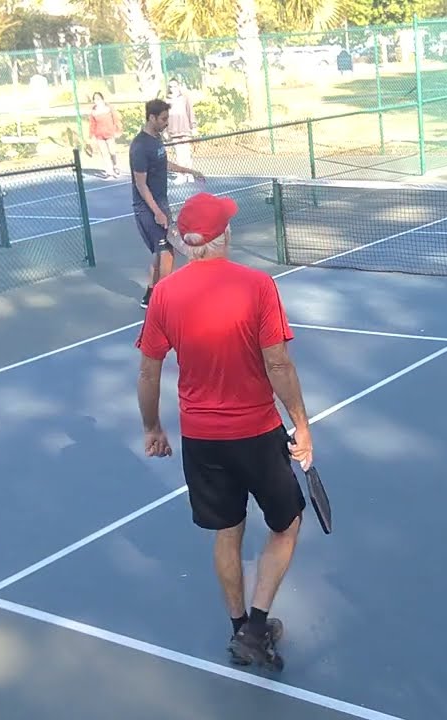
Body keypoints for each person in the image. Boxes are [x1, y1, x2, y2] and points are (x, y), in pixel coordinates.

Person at [134, 191, 314, 671]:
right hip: (256, 432)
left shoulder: (165, 294)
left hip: (201, 440)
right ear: (222, 236)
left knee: (226, 532)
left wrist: (152, 427)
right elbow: (277, 362)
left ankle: (240, 631)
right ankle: (256, 627)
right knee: (287, 524)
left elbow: (149, 372)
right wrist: (301, 426)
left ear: (190, 244)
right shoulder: (257, 285)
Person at [130, 98, 205, 308]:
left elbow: (163, 163)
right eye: (163, 119)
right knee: (166, 251)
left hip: (160, 203)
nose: (166, 123)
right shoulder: (140, 147)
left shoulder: (156, 139)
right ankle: (163, 299)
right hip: (147, 208)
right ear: (151, 117)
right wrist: (157, 212)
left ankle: (150, 295)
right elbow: (141, 184)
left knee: (160, 250)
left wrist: (189, 170)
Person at [165, 79, 197, 185]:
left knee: (186, 153)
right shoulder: (166, 100)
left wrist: (193, 126)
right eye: (170, 87)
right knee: (179, 155)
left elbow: (190, 112)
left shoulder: (185, 98)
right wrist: (165, 130)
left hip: (185, 130)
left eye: (174, 86)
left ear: (178, 87)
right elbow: (164, 116)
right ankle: (181, 175)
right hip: (173, 131)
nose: (172, 89)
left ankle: (189, 174)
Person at [87, 91, 123, 178]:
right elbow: (92, 124)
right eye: (95, 99)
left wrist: (118, 130)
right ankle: (109, 171)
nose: (97, 101)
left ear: (102, 99)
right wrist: (91, 135)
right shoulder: (93, 112)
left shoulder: (109, 108)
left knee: (112, 152)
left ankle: (116, 166)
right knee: (104, 154)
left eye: (98, 99)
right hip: (99, 136)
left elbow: (116, 119)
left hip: (110, 134)